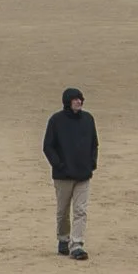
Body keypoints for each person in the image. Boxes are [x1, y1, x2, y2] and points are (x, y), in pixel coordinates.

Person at [42, 88, 99, 260]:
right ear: (68, 102)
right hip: (63, 176)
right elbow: (48, 146)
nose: (79, 102)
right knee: (63, 211)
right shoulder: (56, 120)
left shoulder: (88, 119)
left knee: (81, 211)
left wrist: (92, 163)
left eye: (80, 99)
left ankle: (77, 244)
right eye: (75, 99)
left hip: (83, 175)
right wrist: (59, 165)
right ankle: (63, 238)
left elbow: (94, 143)